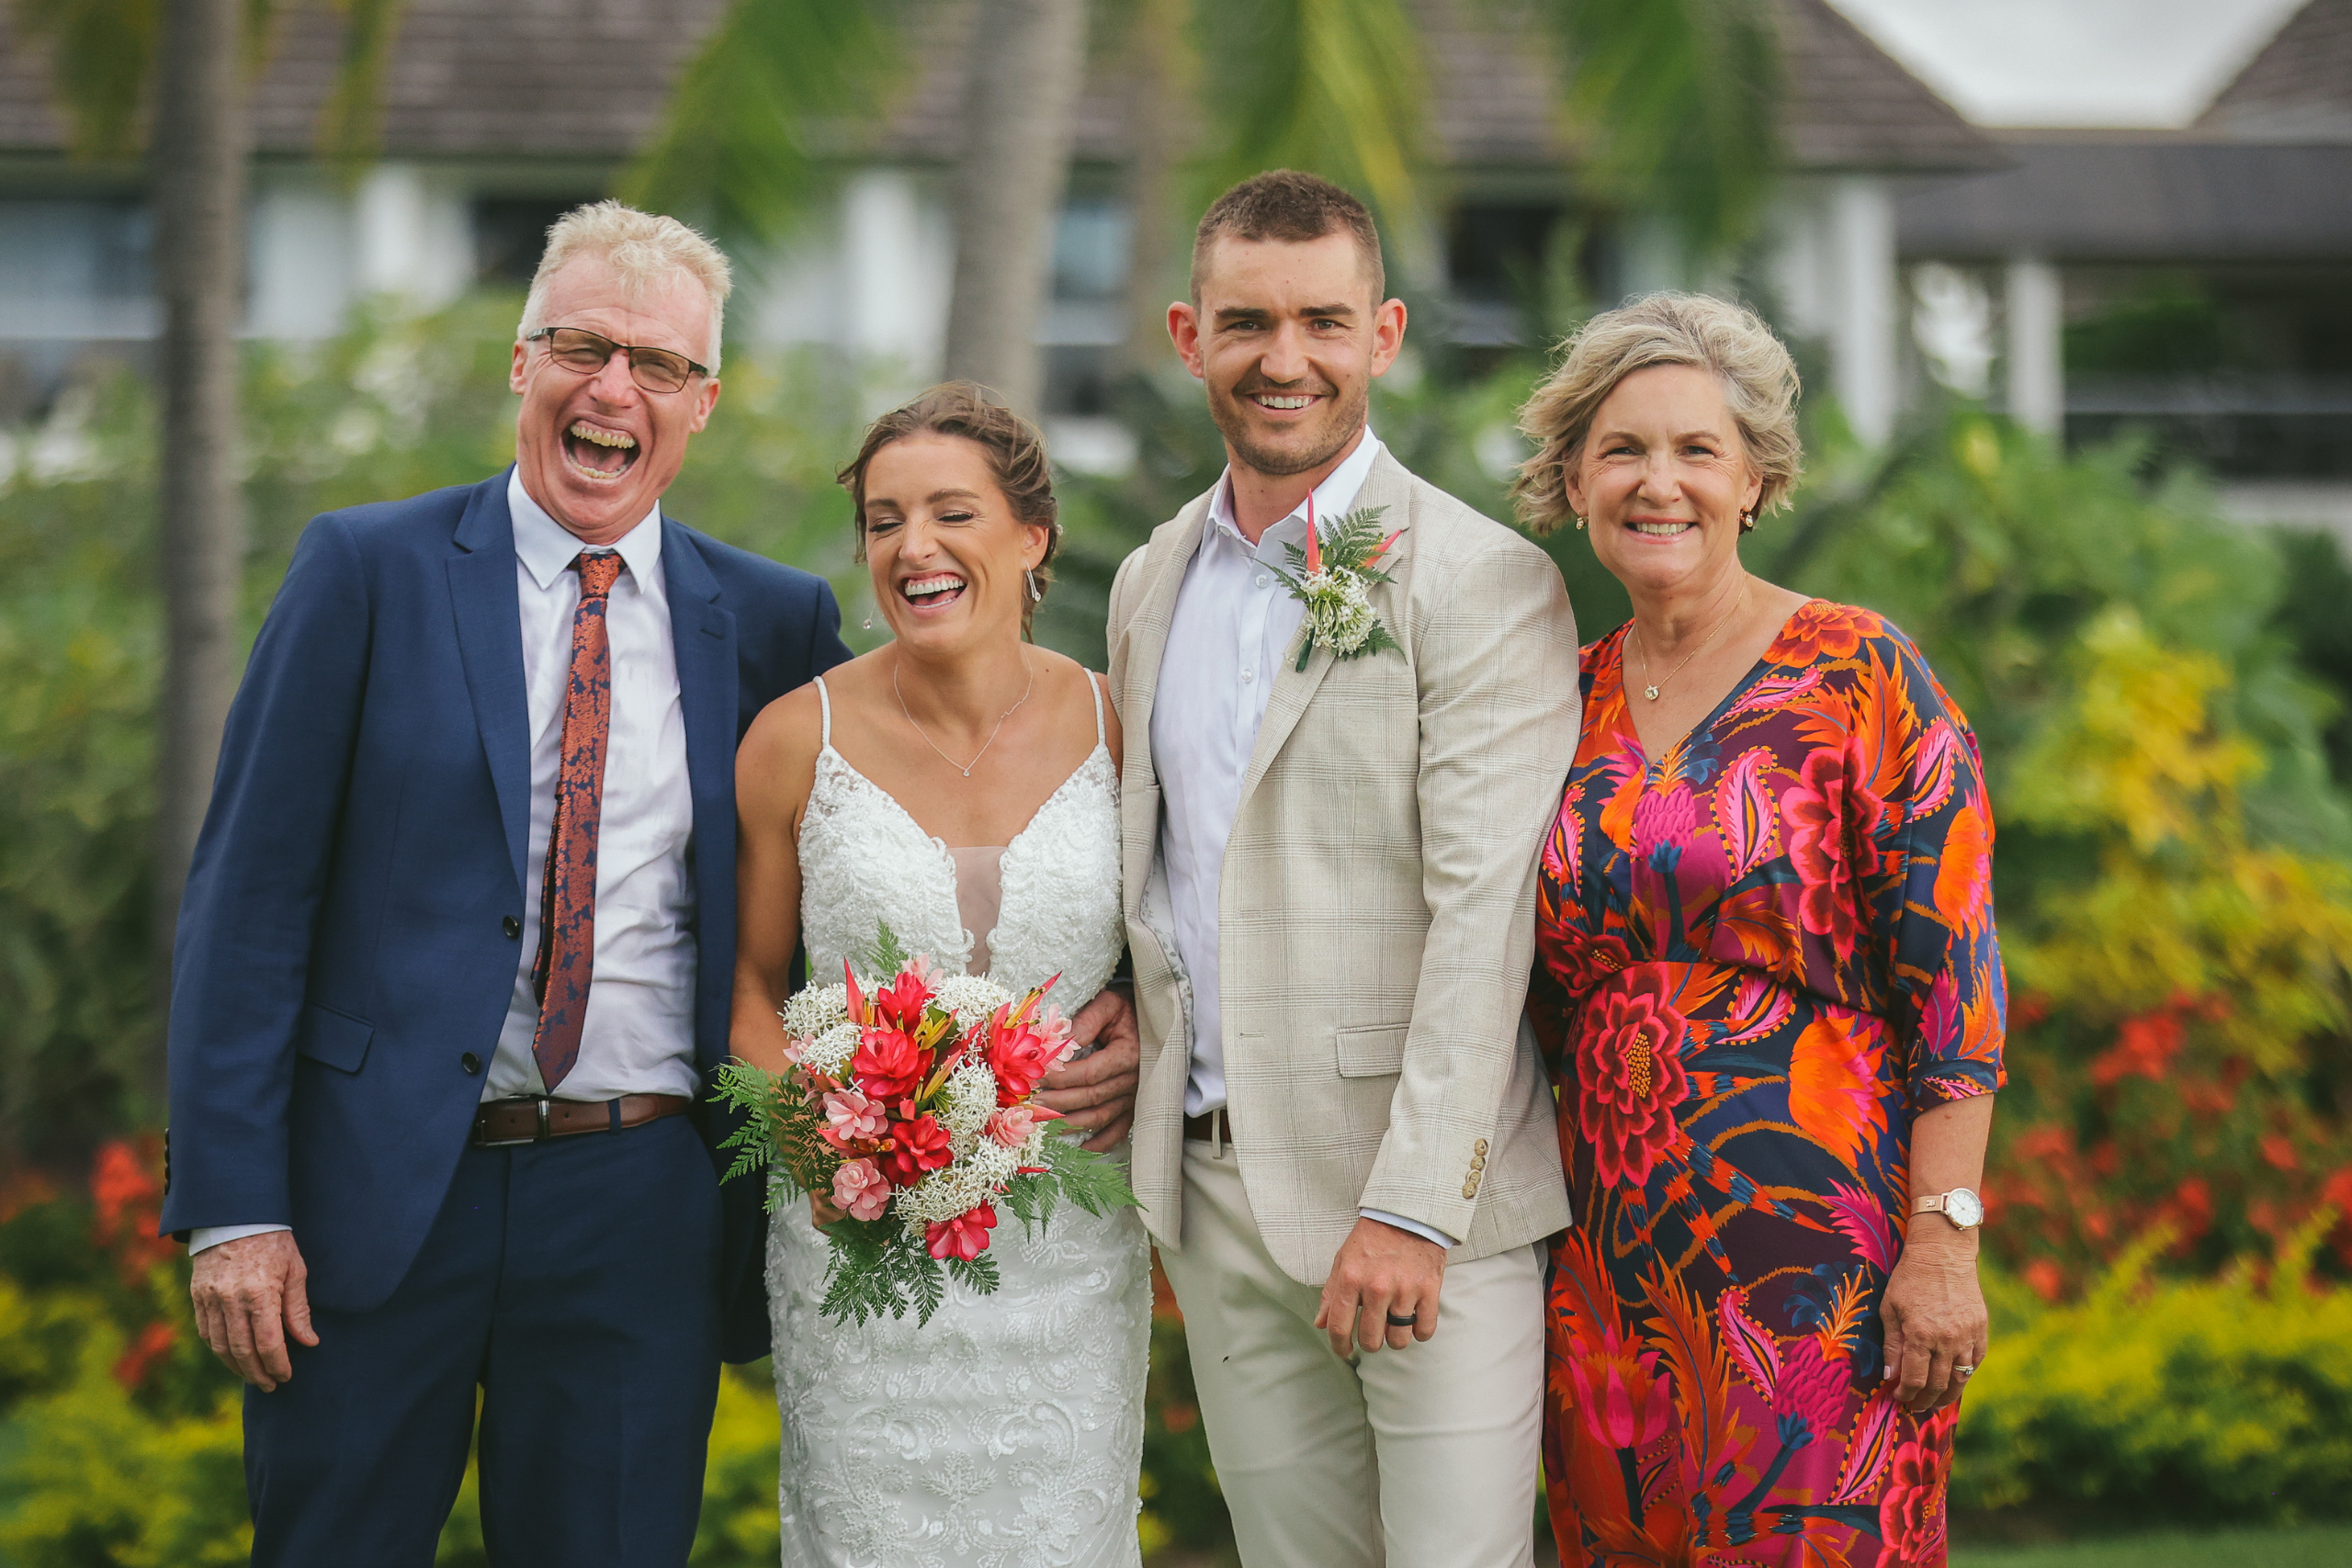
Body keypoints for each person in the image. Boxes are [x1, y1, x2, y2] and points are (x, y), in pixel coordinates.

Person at [1105, 170, 1579, 1568]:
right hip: (1211, 1195)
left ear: (1385, 333)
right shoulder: (1150, 579)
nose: (1285, 358)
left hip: (1424, 1208)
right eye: (1248, 322)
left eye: (1323, 319)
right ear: (1189, 336)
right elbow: (1168, 876)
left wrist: (1410, 1205)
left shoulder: (1482, 580)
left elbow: (1487, 915)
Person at [1512, 292, 2005, 1566]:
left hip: (1819, 1266)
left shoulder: (1861, 673)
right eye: (1621, 450)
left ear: (1757, 478)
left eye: (1695, 450)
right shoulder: (1553, 698)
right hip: (1608, 1263)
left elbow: (1954, 989)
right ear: (1574, 478)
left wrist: (1942, 1247)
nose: (1656, 481)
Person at [732, 382, 1149, 1567]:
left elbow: (1184, 954)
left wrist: (1141, 1033)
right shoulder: (791, 740)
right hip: (856, 1242)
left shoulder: (1124, 729)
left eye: (951, 513)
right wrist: (817, 1141)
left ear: (1032, 539)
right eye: (882, 520)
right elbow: (752, 989)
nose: (913, 547)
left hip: (1068, 1237)